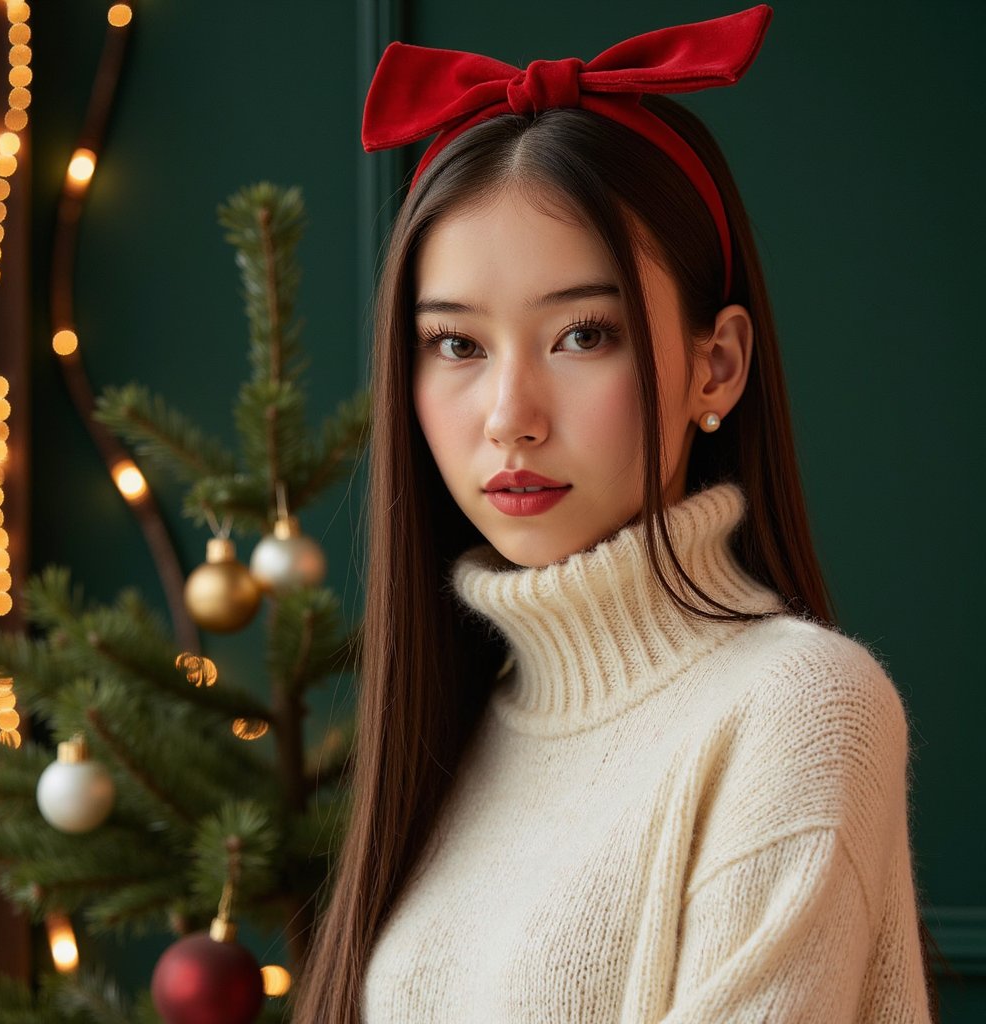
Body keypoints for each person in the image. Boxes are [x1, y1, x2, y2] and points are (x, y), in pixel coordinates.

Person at [294, 6, 937, 1021]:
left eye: (583, 334)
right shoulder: (458, 724)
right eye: (456, 345)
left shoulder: (800, 708)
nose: (510, 418)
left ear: (713, 364)